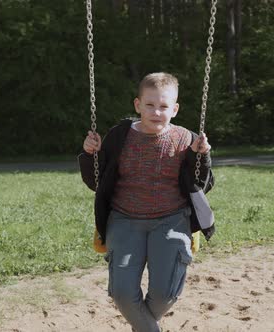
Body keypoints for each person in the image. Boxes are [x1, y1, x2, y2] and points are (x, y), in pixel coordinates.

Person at [78, 72, 215, 332]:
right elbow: (96, 181)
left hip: (172, 220)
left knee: (165, 294)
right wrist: (89, 154)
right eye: (150, 105)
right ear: (138, 105)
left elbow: (202, 185)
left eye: (163, 106)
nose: (156, 112)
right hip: (124, 219)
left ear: (174, 109)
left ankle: (142, 326)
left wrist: (203, 156)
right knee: (122, 292)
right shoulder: (120, 136)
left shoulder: (186, 139)